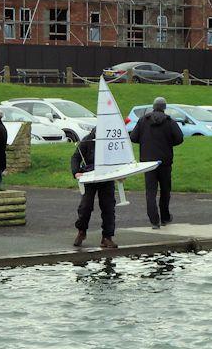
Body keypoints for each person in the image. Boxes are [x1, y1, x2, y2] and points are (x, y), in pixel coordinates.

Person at [129, 96, 184, 229]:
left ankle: (154, 221)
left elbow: (133, 137)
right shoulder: (169, 122)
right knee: (165, 191)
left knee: (150, 192)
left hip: (148, 163)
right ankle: (165, 217)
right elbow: (179, 138)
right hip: (164, 162)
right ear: (164, 108)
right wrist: (168, 142)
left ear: (153, 107)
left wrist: (144, 140)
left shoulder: (143, 121)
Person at [71, 128, 117, 249]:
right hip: (90, 177)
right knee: (85, 206)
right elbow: (76, 157)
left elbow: (118, 158)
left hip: (107, 177)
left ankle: (107, 237)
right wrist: (76, 172)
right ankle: (81, 231)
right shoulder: (87, 140)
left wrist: (120, 173)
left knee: (108, 207)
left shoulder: (110, 141)